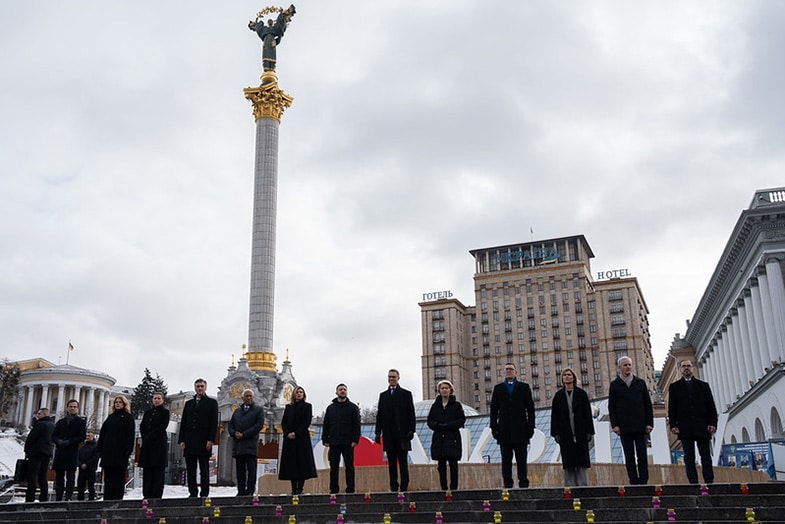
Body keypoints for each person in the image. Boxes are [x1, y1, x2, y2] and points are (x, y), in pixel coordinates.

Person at [667, 359, 718, 484]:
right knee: (689, 457)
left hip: (702, 425)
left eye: (688, 366)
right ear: (680, 369)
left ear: (693, 368)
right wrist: (673, 425)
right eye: (683, 366)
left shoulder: (703, 385)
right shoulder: (674, 387)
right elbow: (672, 408)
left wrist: (713, 423)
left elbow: (711, 406)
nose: (686, 368)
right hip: (685, 427)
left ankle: (709, 480)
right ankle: (693, 482)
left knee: (705, 456)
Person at [608, 356, 654, 485]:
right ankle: (633, 481)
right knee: (629, 456)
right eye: (625, 365)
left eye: (629, 364)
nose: (628, 367)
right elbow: (612, 407)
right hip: (624, 427)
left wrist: (649, 423)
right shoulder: (614, 385)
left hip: (641, 426)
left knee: (642, 455)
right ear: (619, 367)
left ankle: (644, 480)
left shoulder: (640, 383)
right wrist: (615, 425)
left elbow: (647, 404)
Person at [490, 362, 536, 489]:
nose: (509, 371)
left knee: (522, 459)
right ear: (504, 373)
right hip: (504, 431)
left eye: (511, 369)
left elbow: (530, 409)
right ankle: (508, 484)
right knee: (506, 460)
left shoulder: (524, 387)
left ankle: (523, 483)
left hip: (521, 430)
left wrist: (531, 427)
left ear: (516, 372)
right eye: (506, 369)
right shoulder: (498, 388)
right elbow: (494, 410)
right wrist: (494, 428)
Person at [550, 368, 595, 487]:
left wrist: (589, 431)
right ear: (562, 379)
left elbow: (588, 414)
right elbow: (554, 415)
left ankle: (583, 485)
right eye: (564, 375)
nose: (567, 377)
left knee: (581, 461)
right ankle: (570, 487)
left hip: (581, 431)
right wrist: (555, 433)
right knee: (569, 461)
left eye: (569, 375)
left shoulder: (581, 394)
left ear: (573, 377)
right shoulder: (558, 396)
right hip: (565, 433)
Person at [375, 369, 416, 492]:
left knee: (403, 462)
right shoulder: (383, 396)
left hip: (402, 435)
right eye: (389, 377)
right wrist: (378, 432)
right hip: (388, 435)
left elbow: (411, 414)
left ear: (398, 378)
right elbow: (380, 415)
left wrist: (411, 430)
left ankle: (404, 486)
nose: (391, 379)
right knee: (391, 463)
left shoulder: (406, 394)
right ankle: (393, 486)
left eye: (393, 377)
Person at [178, 378, 219, 498]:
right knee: (191, 469)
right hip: (190, 441)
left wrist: (211, 439)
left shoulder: (212, 403)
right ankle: (193, 492)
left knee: (204, 469)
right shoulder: (189, 404)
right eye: (197, 386)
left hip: (203, 441)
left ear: (205, 387)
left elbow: (213, 423)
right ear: (194, 388)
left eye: (202, 386)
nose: (199, 388)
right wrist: (182, 440)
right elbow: (184, 422)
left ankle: (204, 493)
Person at [426, 380, 466, 491]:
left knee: (453, 464)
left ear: (450, 390)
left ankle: (454, 488)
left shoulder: (457, 405)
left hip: (452, 438)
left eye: (446, 388)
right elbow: (430, 421)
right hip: (439, 439)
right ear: (439, 390)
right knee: (441, 465)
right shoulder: (435, 406)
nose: (444, 390)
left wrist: (448, 425)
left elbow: (461, 420)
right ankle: (443, 488)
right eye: (442, 388)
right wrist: (438, 425)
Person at [322, 383, 361, 494]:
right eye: (340, 389)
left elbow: (356, 425)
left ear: (347, 392)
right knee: (333, 467)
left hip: (348, 442)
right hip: (334, 441)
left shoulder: (353, 407)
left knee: (349, 466)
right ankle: (333, 489)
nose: (342, 391)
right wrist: (325, 439)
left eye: (344, 389)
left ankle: (350, 488)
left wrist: (355, 439)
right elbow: (326, 424)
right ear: (336, 392)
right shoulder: (330, 408)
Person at [278, 386, 317, 495]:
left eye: (301, 392)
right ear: (294, 394)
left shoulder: (307, 406)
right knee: (292, 465)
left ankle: (300, 488)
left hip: (301, 439)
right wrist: (287, 433)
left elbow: (306, 422)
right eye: (297, 392)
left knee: (302, 464)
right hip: (290, 440)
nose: (299, 394)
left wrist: (296, 433)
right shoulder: (289, 407)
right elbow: (284, 422)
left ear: (304, 395)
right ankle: (293, 488)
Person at [96, 395, 135, 500]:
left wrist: (128, 450)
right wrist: (100, 450)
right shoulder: (110, 417)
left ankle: (118, 499)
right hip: (108, 453)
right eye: (116, 402)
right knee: (108, 479)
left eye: (120, 402)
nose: (117, 404)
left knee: (118, 479)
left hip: (121, 454)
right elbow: (103, 434)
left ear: (124, 404)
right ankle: (107, 499)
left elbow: (130, 436)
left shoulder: (128, 418)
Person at [228, 389, 264, 496]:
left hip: (250, 446)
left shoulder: (258, 410)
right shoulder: (237, 411)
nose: (248, 398)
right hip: (239, 446)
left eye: (250, 396)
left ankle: (250, 490)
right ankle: (241, 490)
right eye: (246, 396)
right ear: (242, 398)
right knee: (240, 471)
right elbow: (231, 426)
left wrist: (244, 434)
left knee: (251, 470)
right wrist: (234, 433)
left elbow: (258, 426)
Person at [52, 399, 87, 501]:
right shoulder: (61, 422)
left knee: (70, 477)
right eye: (70, 406)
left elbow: (81, 437)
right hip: (60, 452)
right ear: (67, 408)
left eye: (74, 407)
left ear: (77, 408)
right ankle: (58, 497)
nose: (72, 408)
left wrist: (69, 441)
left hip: (72, 452)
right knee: (59, 477)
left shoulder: (80, 422)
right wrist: (58, 441)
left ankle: (68, 497)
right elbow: (53, 435)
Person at [139, 392, 171, 499]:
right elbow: (142, 426)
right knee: (147, 472)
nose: (156, 400)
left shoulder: (165, 412)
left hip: (159, 445)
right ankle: (146, 494)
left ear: (162, 400)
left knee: (158, 473)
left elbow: (162, 427)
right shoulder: (147, 413)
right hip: (147, 446)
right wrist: (145, 437)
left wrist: (150, 437)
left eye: (159, 398)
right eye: (155, 398)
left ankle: (156, 496)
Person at [248, 5, 296, 72]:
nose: (270, 22)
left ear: (272, 22)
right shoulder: (265, 29)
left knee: (272, 53)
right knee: (266, 53)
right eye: (269, 21)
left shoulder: (274, 28)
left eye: (271, 21)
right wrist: (256, 24)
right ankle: (266, 66)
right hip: (266, 40)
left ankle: (272, 67)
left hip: (272, 40)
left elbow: (280, 24)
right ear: (268, 23)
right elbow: (259, 28)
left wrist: (282, 15)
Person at [24, 407, 55, 503]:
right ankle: (43, 498)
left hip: (36, 453)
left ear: (44, 414)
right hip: (47, 453)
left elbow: (31, 438)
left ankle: (30, 498)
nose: (37, 415)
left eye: (39, 414)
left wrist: (27, 449)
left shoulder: (39, 425)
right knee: (43, 476)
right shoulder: (53, 425)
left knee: (32, 476)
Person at [76, 431, 99, 501]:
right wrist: (80, 464)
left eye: (89, 436)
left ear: (93, 437)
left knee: (91, 487)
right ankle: (80, 501)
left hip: (91, 469)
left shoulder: (95, 447)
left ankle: (91, 501)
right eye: (87, 436)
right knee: (80, 487)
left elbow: (95, 458)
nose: (87, 437)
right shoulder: (82, 447)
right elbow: (77, 457)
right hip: (82, 470)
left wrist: (86, 464)